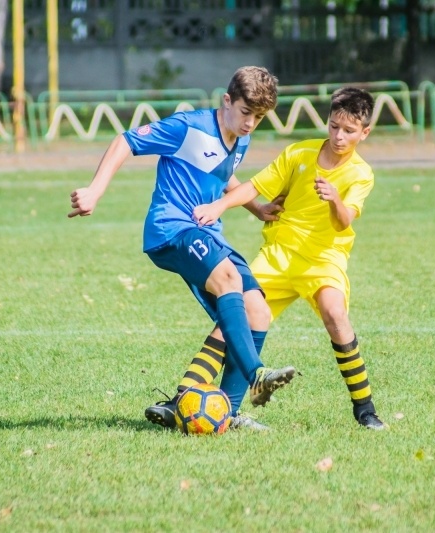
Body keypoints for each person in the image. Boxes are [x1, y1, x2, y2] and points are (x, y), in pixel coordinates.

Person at [147, 86, 386, 430]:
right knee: (234, 319)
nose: (338, 136)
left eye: (349, 131)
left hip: (323, 259)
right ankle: (182, 399)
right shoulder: (299, 154)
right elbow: (254, 187)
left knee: (336, 315)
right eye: (334, 126)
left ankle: (365, 409)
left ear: (364, 133)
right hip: (278, 254)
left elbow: (344, 220)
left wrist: (334, 198)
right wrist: (218, 206)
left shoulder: (361, 173)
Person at [68, 66, 296, 426]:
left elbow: (222, 172)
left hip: (207, 233)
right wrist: (95, 190)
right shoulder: (188, 127)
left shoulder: (240, 135)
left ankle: (229, 414)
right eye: (246, 113)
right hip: (172, 228)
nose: (251, 123)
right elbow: (125, 141)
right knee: (228, 280)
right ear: (226, 100)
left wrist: (257, 208)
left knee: (258, 310)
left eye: (259, 117)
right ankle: (257, 375)